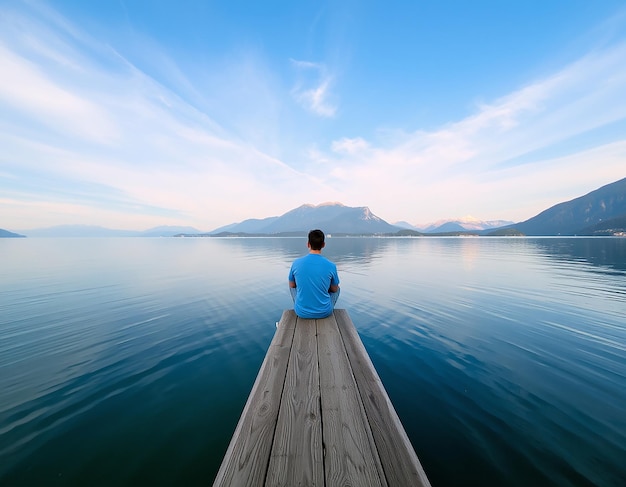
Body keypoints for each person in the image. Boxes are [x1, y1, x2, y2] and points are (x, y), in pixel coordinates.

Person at [288, 229, 340, 319]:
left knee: (293, 286)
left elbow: (292, 285)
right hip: (325, 312)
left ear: (308, 244)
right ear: (323, 245)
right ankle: (322, 305)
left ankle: (302, 305)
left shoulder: (296, 263)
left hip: (301, 312)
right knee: (337, 288)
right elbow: (334, 289)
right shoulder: (331, 265)